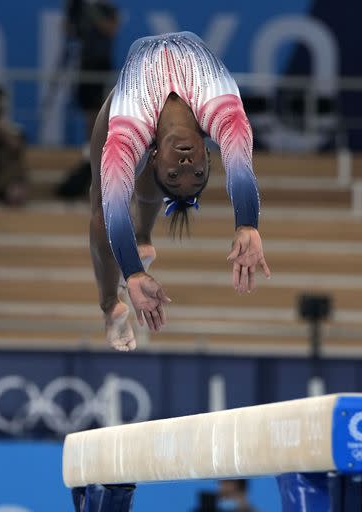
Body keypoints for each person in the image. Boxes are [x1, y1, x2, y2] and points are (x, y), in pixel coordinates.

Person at [89, 31, 271, 351]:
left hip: (135, 111)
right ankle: (118, 289)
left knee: (103, 201)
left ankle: (119, 286)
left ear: (153, 156)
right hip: (153, 124)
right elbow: (241, 169)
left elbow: (116, 209)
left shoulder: (129, 125)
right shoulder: (224, 112)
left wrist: (132, 274)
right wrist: (247, 224)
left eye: (175, 174)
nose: (186, 163)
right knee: (104, 201)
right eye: (197, 172)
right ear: (209, 153)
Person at [56, 0, 119, 198]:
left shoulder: (107, 8)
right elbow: (67, 31)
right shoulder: (77, 6)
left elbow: (110, 29)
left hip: (101, 64)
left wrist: (92, 12)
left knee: (100, 111)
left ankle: (102, 149)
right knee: (88, 112)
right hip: (84, 63)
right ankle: (88, 148)